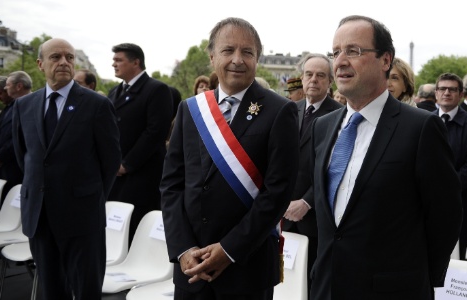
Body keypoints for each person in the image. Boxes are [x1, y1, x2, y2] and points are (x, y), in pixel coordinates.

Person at [310, 15, 461, 299]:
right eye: (335, 52)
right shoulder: (323, 127)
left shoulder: (420, 128)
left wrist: (418, 278)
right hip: (328, 286)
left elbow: (446, 216)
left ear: (385, 60)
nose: (340, 61)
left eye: (353, 51)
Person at [160, 17, 299, 300]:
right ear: (212, 58)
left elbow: (278, 192)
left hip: (247, 265)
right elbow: (171, 185)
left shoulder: (280, 111)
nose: (238, 59)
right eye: (228, 50)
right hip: (192, 267)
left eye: (247, 52)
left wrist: (229, 250)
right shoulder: (190, 109)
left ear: (257, 58)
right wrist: (183, 249)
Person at [12, 38, 120, 300]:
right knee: (51, 290)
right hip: (39, 217)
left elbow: (111, 160)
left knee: (86, 290)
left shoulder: (96, 104)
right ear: (40, 64)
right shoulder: (24, 105)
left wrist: (89, 196)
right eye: (56, 57)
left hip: (82, 218)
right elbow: (23, 157)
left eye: (69, 58)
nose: (64, 62)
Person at [282, 53, 342, 293]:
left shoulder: (341, 115)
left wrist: (307, 202)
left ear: (330, 81)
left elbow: (336, 168)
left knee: (313, 284)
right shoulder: (289, 110)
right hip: (283, 215)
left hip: (317, 219)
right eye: (309, 74)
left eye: (320, 75)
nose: (313, 80)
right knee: (285, 282)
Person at [107, 43, 173, 245]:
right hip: (114, 175)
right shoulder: (113, 92)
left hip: (141, 176)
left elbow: (155, 132)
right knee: (114, 232)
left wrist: (127, 164)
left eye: (119, 60)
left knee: (135, 232)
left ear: (136, 62)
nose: (113, 64)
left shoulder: (156, 90)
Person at [435, 73, 467, 261]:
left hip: (459, 202)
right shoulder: (424, 121)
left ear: (461, 94)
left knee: (459, 261)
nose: (447, 93)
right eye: (442, 89)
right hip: (428, 203)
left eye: (452, 89)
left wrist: (445, 189)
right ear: (436, 93)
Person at [0, 71, 31, 202]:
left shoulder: (30, 106)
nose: (5, 88)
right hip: (5, 166)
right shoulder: (11, 106)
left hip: (17, 168)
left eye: (8, 85)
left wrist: (0, 155)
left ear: (19, 86)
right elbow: (1, 132)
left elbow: (21, 136)